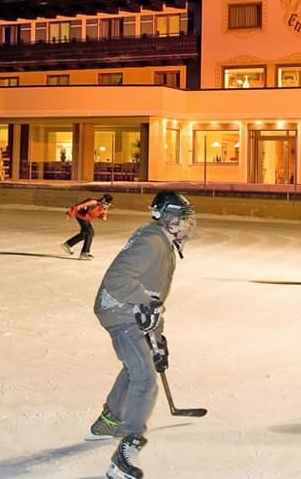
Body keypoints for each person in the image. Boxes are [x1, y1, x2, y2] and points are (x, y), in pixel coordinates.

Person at [87, 191, 197, 479]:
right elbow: (118, 280)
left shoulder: (162, 242)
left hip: (129, 311)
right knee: (144, 378)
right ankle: (126, 451)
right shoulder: (152, 242)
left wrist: (158, 340)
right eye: (183, 220)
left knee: (138, 364)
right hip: (120, 312)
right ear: (169, 218)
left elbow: (153, 299)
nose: (187, 225)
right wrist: (144, 305)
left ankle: (109, 419)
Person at [61, 194, 113, 260]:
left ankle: (68, 244)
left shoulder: (104, 206)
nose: (107, 206)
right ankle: (84, 253)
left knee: (84, 234)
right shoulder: (93, 202)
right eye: (107, 204)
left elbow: (99, 213)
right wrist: (70, 213)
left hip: (86, 218)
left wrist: (103, 216)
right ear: (103, 202)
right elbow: (79, 206)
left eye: (109, 205)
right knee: (90, 232)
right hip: (81, 216)